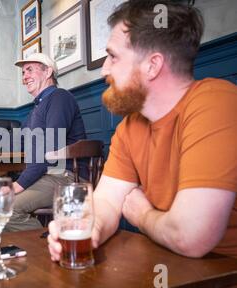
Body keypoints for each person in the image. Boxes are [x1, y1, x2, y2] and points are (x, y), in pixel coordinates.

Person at [48, 0, 237, 265]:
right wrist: (90, 228)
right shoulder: (130, 126)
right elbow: (107, 204)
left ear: (152, 65)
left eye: (113, 57)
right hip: (171, 271)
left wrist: (143, 215)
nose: (104, 70)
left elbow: (191, 237)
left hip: (220, 283)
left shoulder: (217, 103)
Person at [0, 53, 87, 232]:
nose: (25, 77)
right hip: (50, 175)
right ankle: (42, 249)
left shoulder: (59, 97)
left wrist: (17, 185)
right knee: (0, 203)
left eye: (30, 70)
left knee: (6, 208)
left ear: (48, 72)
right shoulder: (37, 108)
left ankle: (46, 250)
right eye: (23, 72)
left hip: (69, 177)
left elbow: (49, 150)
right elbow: (13, 143)